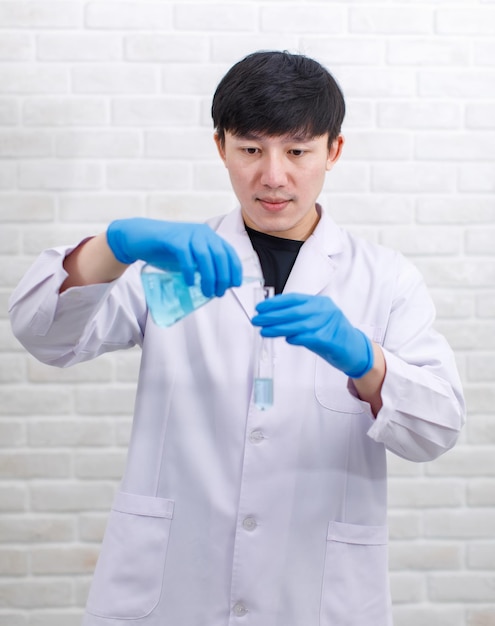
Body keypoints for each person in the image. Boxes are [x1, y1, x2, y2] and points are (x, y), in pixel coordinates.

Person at [9, 51, 465, 626]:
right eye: (251, 149)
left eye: (297, 151)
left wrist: (368, 364)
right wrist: (114, 246)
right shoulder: (173, 265)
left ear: (334, 151)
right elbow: (42, 334)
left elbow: (439, 428)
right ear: (221, 146)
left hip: (315, 594)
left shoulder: (384, 279)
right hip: (174, 589)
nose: (273, 175)